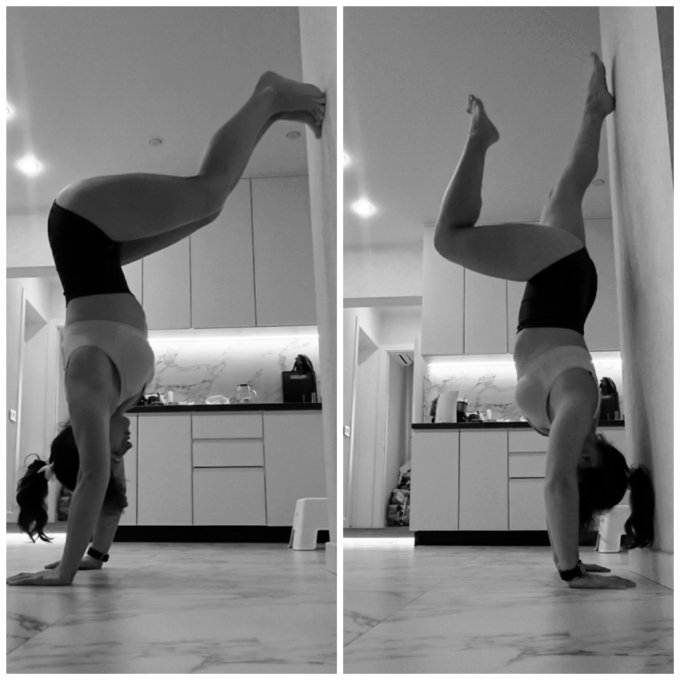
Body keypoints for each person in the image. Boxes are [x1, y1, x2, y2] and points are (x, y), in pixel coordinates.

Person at [8, 71, 325, 586]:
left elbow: (91, 479)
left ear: (84, 438)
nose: (127, 449)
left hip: (77, 221)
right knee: (209, 211)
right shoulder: (116, 403)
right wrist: (95, 556)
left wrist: (65, 572)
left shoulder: (86, 387)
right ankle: (273, 113)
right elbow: (110, 492)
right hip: (100, 251)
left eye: (116, 450)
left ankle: (268, 92)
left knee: (207, 193)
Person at [433, 53, 654, 589]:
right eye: (582, 461)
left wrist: (573, 558)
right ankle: (481, 139)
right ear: (594, 453)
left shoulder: (564, 421)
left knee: (564, 189)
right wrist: (570, 572)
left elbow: (562, 487)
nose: (569, 458)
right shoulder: (579, 404)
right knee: (448, 238)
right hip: (559, 281)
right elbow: (557, 485)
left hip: (562, 289)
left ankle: (596, 109)